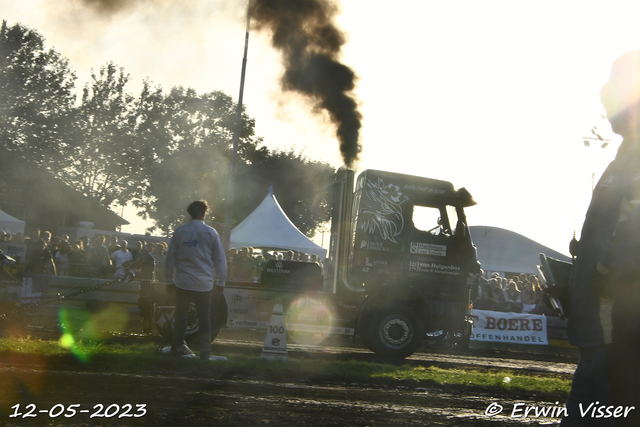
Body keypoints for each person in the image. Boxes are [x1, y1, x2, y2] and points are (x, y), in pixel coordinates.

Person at [562, 50, 640, 426]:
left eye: (613, 98)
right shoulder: (624, 155)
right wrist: (588, 254)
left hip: (617, 334)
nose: (607, 108)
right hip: (597, 335)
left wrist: (604, 269)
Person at [165, 200, 227, 361]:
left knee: (181, 316)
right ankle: (205, 353)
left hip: (183, 282)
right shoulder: (211, 232)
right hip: (203, 283)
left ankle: (177, 348)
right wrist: (221, 282)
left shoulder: (180, 231)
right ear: (205, 212)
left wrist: (169, 281)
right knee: (204, 318)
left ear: (190, 212)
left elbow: (170, 258)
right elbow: (220, 260)